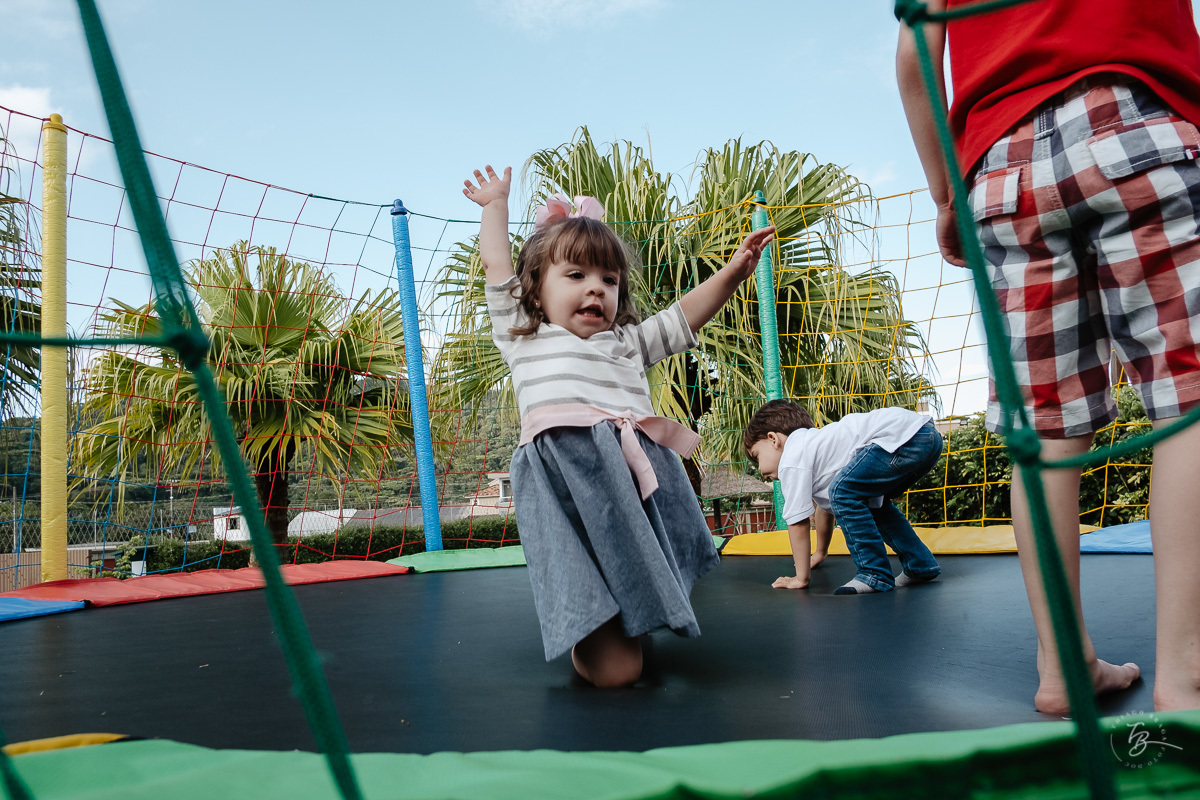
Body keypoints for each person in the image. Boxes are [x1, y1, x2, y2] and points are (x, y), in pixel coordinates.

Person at [896, 0, 1200, 713]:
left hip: (1001, 170)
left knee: (1045, 427)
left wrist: (946, 196)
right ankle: (1186, 674)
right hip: (1134, 118)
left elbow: (914, 55)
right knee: (1189, 395)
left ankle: (1063, 666)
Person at [462, 164, 775, 688]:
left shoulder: (626, 343)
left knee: (631, 568)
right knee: (617, 672)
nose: (596, 290)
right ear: (534, 291)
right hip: (569, 481)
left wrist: (733, 273)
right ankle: (593, 632)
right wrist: (496, 206)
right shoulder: (524, 336)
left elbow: (682, 317)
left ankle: (629, 617)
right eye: (576, 276)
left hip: (629, 479)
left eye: (609, 280)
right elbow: (496, 264)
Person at [743, 399, 943, 595]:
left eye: (757, 456)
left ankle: (874, 573)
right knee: (874, 506)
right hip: (925, 437)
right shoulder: (817, 453)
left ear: (773, 439)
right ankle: (919, 564)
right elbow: (825, 510)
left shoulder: (791, 457)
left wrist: (800, 578)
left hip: (902, 437)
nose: (759, 469)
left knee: (841, 492)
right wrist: (820, 553)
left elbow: (798, 522)